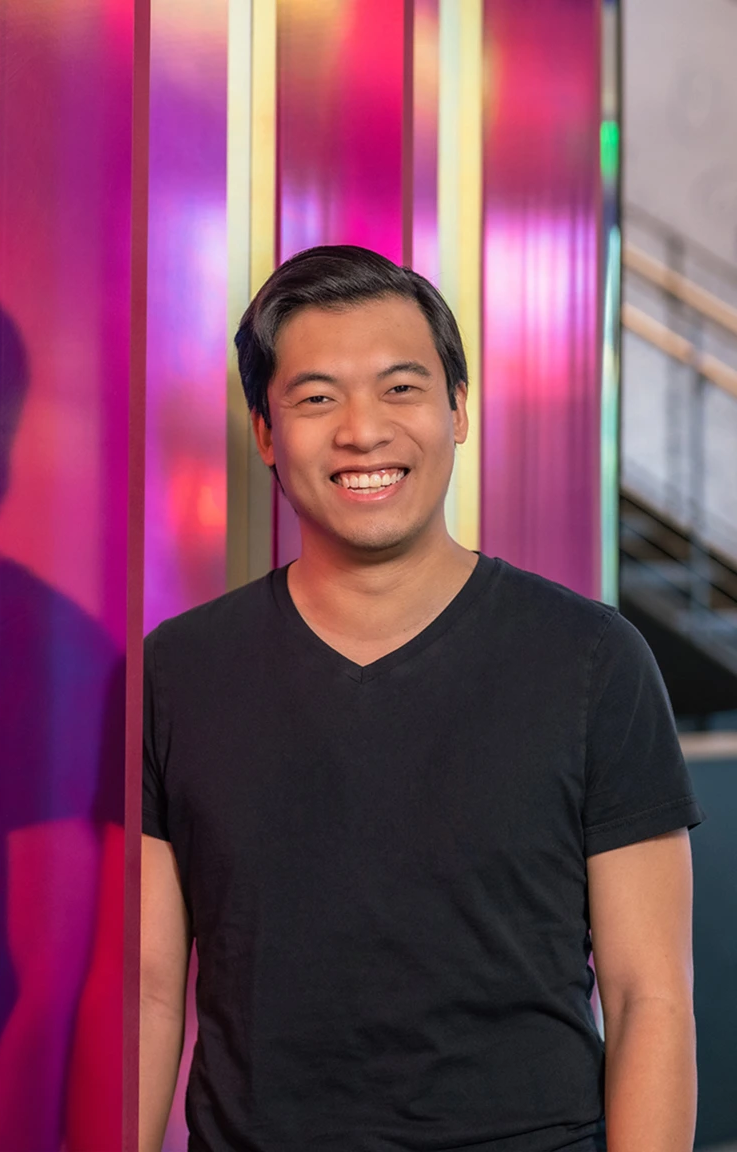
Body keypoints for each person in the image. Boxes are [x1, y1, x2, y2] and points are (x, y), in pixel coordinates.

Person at [140, 246, 703, 1152]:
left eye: (401, 388)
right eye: (317, 398)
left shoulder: (594, 660)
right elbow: (150, 988)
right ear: (264, 433)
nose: (363, 431)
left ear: (459, 410)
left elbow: (651, 999)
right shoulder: (178, 671)